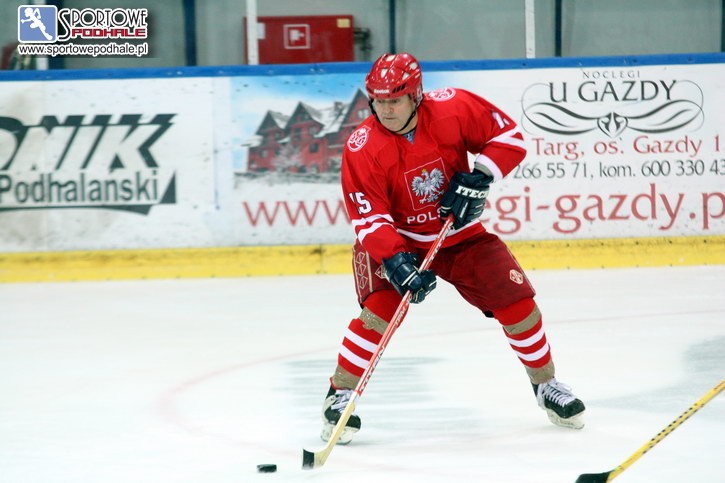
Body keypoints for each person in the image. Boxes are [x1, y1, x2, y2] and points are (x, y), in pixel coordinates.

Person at [319, 52, 585, 445]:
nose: (385, 110)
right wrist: (395, 259)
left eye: (395, 100)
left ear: (416, 95)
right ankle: (339, 395)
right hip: (398, 240)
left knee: (518, 303)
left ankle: (546, 385)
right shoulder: (362, 147)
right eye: (378, 100)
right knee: (379, 313)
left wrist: (480, 176)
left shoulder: (453, 108)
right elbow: (369, 217)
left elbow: (509, 138)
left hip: (459, 235)